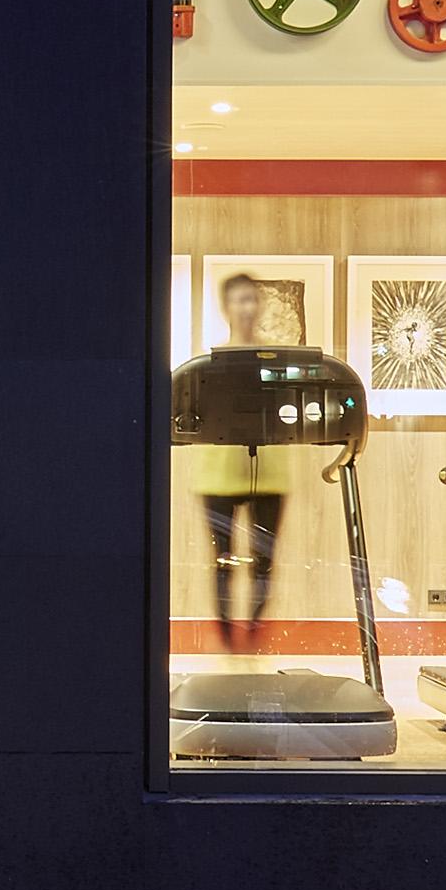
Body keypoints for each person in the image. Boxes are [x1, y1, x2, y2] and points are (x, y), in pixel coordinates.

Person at [187, 273, 300, 645]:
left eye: (252, 299)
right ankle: (226, 640)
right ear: (226, 307)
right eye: (238, 300)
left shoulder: (277, 361)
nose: (246, 307)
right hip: (217, 474)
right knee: (222, 559)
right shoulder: (209, 363)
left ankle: (251, 633)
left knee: (263, 560)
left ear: (260, 304)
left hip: (269, 475)